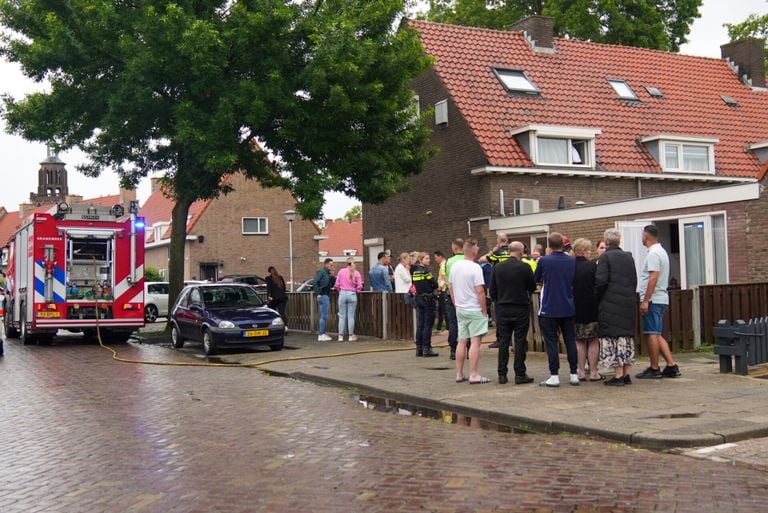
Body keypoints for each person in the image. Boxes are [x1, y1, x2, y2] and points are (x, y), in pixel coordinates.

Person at [534, 232, 579, 387]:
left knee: (551, 342)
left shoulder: (544, 261)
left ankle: (554, 375)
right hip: (568, 307)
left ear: (549, 245)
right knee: (570, 341)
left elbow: (536, 279)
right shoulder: (572, 261)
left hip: (549, 308)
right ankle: (574, 374)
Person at [636, 225, 681, 379]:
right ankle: (671, 365)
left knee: (652, 334)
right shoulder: (661, 251)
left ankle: (654, 368)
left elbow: (653, 277)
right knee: (656, 332)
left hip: (654, 299)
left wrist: (645, 300)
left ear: (645, 237)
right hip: (661, 297)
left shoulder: (653, 254)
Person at [489, 241, 536, 385]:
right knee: (520, 341)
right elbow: (532, 287)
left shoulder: (498, 268)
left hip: (503, 308)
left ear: (509, 251)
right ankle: (520, 374)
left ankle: (502, 374)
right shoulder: (525, 267)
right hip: (520, 307)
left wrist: (499, 301)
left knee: (503, 341)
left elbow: (492, 291)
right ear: (521, 252)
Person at [595, 229, 638, 386]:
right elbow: (634, 280)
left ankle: (618, 375)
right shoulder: (629, 257)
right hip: (627, 302)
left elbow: (601, 282)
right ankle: (626, 374)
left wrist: (597, 298)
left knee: (613, 337)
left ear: (606, 242)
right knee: (624, 338)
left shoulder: (605, 257)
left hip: (609, 303)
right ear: (619, 241)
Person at [450, 239, 490, 384]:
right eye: (477, 248)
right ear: (473, 252)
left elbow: (451, 287)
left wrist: (456, 303)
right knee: (475, 342)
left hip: (460, 308)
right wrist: (484, 310)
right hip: (474, 308)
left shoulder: (454, 267)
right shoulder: (475, 268)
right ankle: (474, 374)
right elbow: (480, 291)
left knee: (461, 341)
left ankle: (459, 374)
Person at [572, 239, 601, 382]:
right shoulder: (592, 266)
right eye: (589, 250)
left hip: (575, 308)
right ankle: (594, 372)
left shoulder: (569, 266)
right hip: (592, 307)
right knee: (594, 340)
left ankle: (581, 372)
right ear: (583, 251)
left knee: (579, 341)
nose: (590, 253)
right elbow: (599, 285)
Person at [412, 252, 439, 357]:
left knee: (421, 324)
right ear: (420, 260)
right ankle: (426, 349)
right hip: (428, 299)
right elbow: (434, 284)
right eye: (426, 258)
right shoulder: (425, 271)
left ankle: (419, 348)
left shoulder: (414, 272)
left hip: (419, 298)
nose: (429, 260)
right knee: (428, 324)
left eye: (428, 258)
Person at [444, 238, 464, 360]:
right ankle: (467, 348)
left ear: (455, 247)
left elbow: (448, 279)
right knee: (467, 322)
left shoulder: (449, 262)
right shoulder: (468, 260)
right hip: (466, 295)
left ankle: (453, 349)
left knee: (453, 322)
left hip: (452, 294)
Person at [334, 258, 363, 342]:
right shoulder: (357, 273)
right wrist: (357, 291)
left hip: (342, 294)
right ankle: (350, 336)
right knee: (351, 316)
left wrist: (340, 290)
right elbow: (360, 286)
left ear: (347, 263)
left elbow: (337, 284)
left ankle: (340, 336)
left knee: (342, 317)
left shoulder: (341, 271)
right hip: (352, 294)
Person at [313, 258, 335, 342]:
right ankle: (321, 334)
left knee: (324, 315)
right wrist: (318, 293)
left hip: (325, 295)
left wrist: (332, 276)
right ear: (326, 264)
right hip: (323, 295)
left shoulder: (327, 273)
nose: (332, 266)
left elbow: (332, 284)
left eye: (332, 265)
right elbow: (315, 282)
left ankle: (323, 333)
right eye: (331, 264)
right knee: (324, 316)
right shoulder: (322, 272)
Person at [433, 251, 448, 332]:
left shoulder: (443, 266)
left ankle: (448, 328)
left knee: (444, 309)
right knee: (441, 309)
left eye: (435, 258)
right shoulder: (443, 265)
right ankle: (439, 327)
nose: (435, 260)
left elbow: (444, 277)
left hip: (443, 290)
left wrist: (440, 287)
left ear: (440, 257)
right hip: (442, 290)